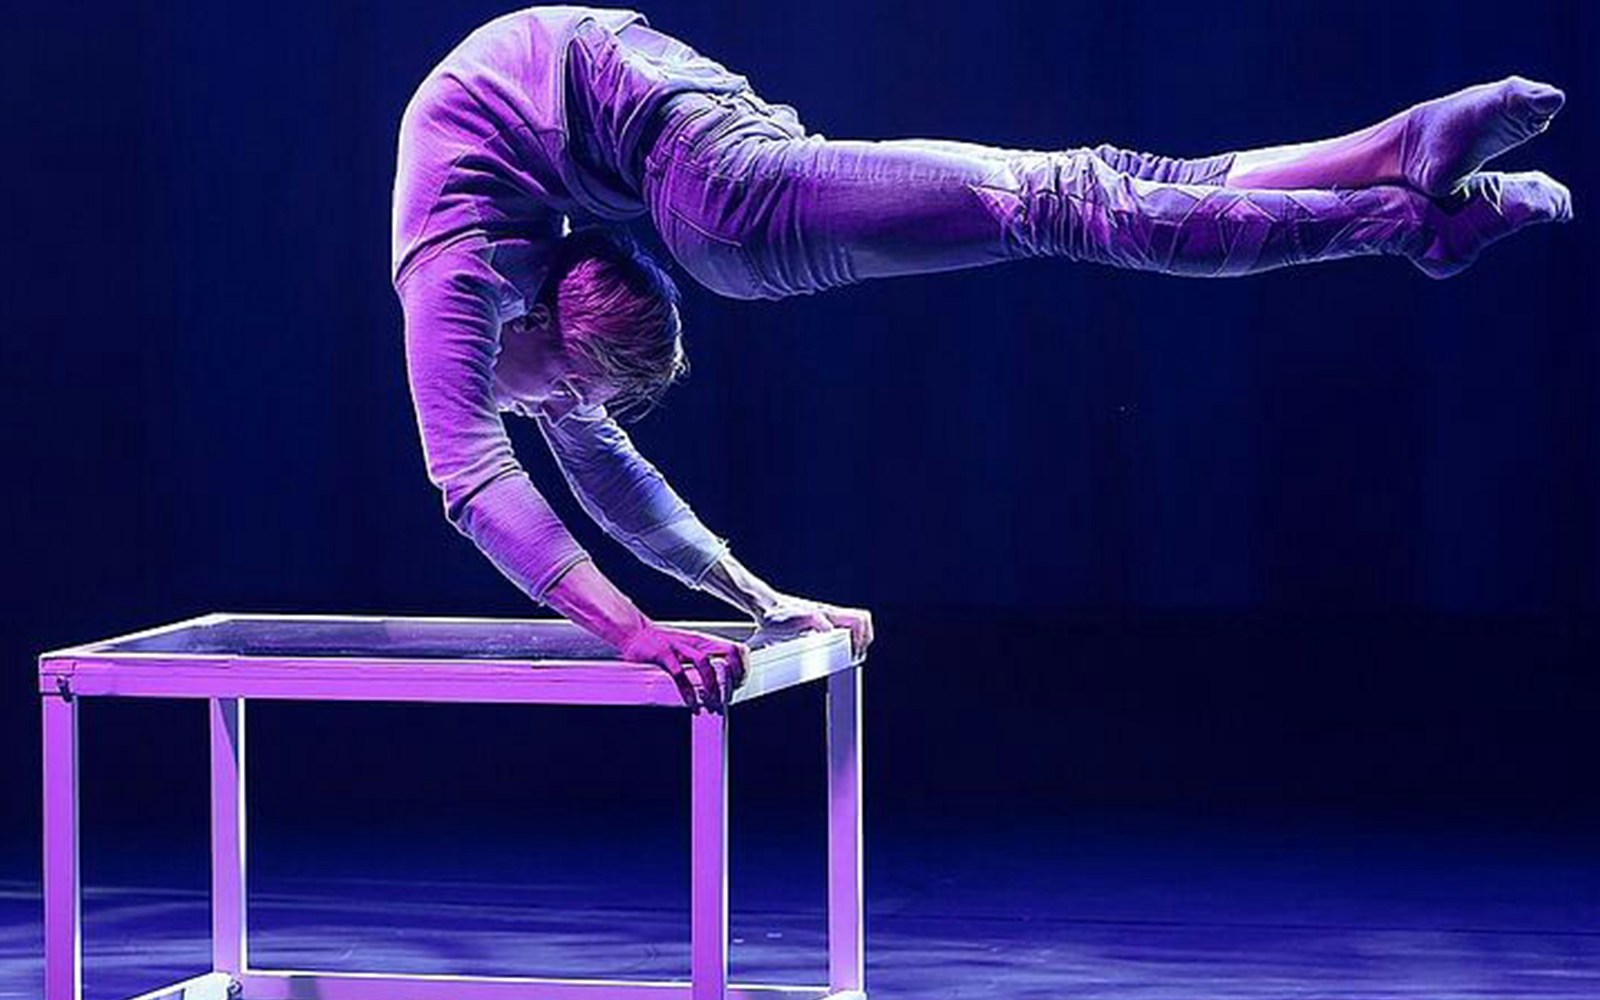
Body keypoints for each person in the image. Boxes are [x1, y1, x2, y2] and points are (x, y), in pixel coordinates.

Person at [391, 5, 1570, 713]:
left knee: (1068, 198)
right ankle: (1391, 165)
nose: (568, 416)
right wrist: (757, 598)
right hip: (693, 139)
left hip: (717, 177)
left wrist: (637, 632)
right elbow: (602, 473)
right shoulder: (515, 281)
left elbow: (475, 482)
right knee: (1084, 186)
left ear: (552, 327)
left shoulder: (456, 282)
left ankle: (1401, 210)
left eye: (569, 393)